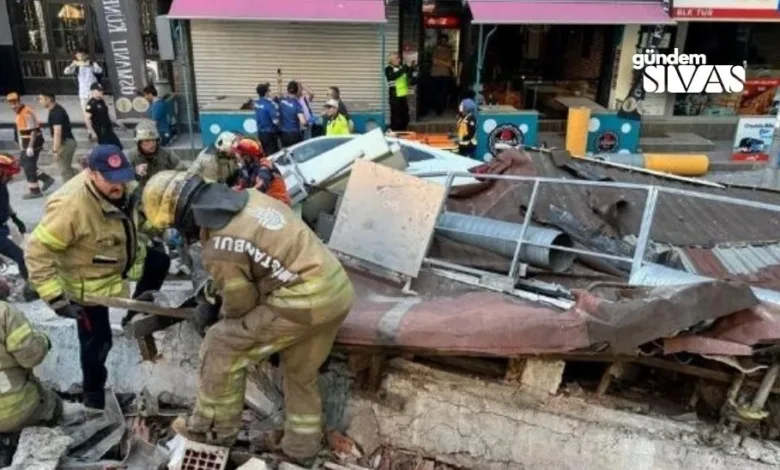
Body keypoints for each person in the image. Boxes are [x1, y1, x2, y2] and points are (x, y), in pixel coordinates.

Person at [142, 170, 353, 466]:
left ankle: (212, 432)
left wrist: (215, 316)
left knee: (222, 345)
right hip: (336, 291)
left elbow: (240, 304)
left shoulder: (220, 244)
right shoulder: (252, 198)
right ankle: (300, 448)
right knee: (300, 373)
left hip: (302, 302)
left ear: (186, 216)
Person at [25, 145, 169, 412]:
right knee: (97, 341)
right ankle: (94, 398)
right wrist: (56, 297)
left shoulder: (123, 186)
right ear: (92, 174)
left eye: (122, 178)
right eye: (111, 180)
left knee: (160, 260)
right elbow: (37, 251)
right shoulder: (71, 207)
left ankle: (134, 316)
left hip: (119, 260)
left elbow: (137, 217)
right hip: (87, 283)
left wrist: (157, 229)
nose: (119, 186)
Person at [0, 301, 61, 434]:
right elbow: (30, 357)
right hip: (14, 411)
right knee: (53, 404)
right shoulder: (4, 312)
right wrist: (44, 341)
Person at [0, 154, 38, 301]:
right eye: (9, 175)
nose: (11, 178)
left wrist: (15, 218)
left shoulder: (2, 185)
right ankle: (31, 290)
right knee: (21, 256)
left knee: (21, 256)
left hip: (2, 228)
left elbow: (5, 203)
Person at [7, 93, 55, 199]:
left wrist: (30, 146)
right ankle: (46, 179)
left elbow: (33, 131)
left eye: (15, 103)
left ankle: (35, 191)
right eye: (11, 104)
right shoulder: (20, 112)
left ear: (20, 102)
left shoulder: (27, 113)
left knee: (28, 165)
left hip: (33, 144)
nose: (13, 106)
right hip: (27, 144)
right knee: (26, 163)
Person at [127, 119, 186, 191]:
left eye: (153, 140)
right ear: (139, 143)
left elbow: (183, 172)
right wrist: (134, 172)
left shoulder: (167, 154)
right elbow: (123, 180)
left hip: (163, 193)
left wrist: (170, 177)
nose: (152, 144)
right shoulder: (132, 155)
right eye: (147, 141)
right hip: (142, 195)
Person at [231, 137, 291, 205]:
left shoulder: (264, 166)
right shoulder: (247, 169)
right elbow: (242, 185)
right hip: (266, 203)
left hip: (279, 203)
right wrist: (232, 192)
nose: (236, 157)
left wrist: (244, 193)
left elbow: (261, 186)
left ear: (246, 156)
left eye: (238, 154)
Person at [63, 47, 102, 140]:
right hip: (83, 93)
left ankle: (98, 129)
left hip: (93, 92)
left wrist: (91, 65)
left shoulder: (91, 63)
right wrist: (73, 65)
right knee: (86, 113)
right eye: (78, 55)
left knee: (97, 111)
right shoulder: (76, 65)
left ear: (86, 55)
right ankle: (90, 132)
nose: (80, 56)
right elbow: (66, 72)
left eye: (82, 54)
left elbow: (99, 70)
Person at [40, 93, 78, 182]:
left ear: (48, 99)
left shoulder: (57, 113)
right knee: (67, 169)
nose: (40, 102)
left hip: (66, 143)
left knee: (65, 171)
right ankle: (83, 179)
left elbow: (57, 132)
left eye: (41, 99)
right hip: (66, 142)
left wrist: (55, 150)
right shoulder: (55, 110)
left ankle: (69, 192)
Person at [85, 83, 125, 149]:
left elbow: (106, 114)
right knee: (107, 149)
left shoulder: (101, 101)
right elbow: (87, 119)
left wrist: (116, 122)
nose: (101, 92)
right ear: (93, 91)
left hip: (108, 129)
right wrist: (92, 132)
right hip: (101, 132)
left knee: (118, 147)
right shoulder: (91, 104)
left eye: (102, 90)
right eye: (99, 90)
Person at [385, 53, 415, 131]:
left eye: (399, 58)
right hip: (394, 97)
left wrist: (411, 68)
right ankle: (395, 133)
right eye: (397, 58)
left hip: (403, 96)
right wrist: (404, 69)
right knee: (396, 118)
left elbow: (409, 77)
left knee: (405, 117)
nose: (399, 60)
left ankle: (404, 132)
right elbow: (392, 77)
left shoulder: (401, 68)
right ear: (391, 60)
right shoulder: (388, 69)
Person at [430, 34, 454, 116]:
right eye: (442, 40)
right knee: (435, 92)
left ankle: (440, 109)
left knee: (443, 93)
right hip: (435, 74)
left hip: (445, 74)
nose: (443, 42)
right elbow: (434, 61)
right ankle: (436, 108)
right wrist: (445, 62)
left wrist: (439, 61)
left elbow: (450, 64)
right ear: (440, 41)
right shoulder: (435, 50)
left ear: (446, 41)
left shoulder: (449, 50)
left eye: (445, 40)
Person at [254, 83, 280, 156]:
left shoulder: (257, 103)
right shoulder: (270, 105)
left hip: (260, 133)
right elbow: (276, 122)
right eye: (268, 91)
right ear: (266, 92)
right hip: (270, 134)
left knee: (265, 153)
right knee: (272, 155)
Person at [279, 81, 306, 148]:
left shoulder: (281, 101)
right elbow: (303, 121)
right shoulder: (297, 104)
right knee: (295, 153)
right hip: (294, 133)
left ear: (288, 90)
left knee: (285, 152)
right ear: (297, 91)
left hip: (283, 132)